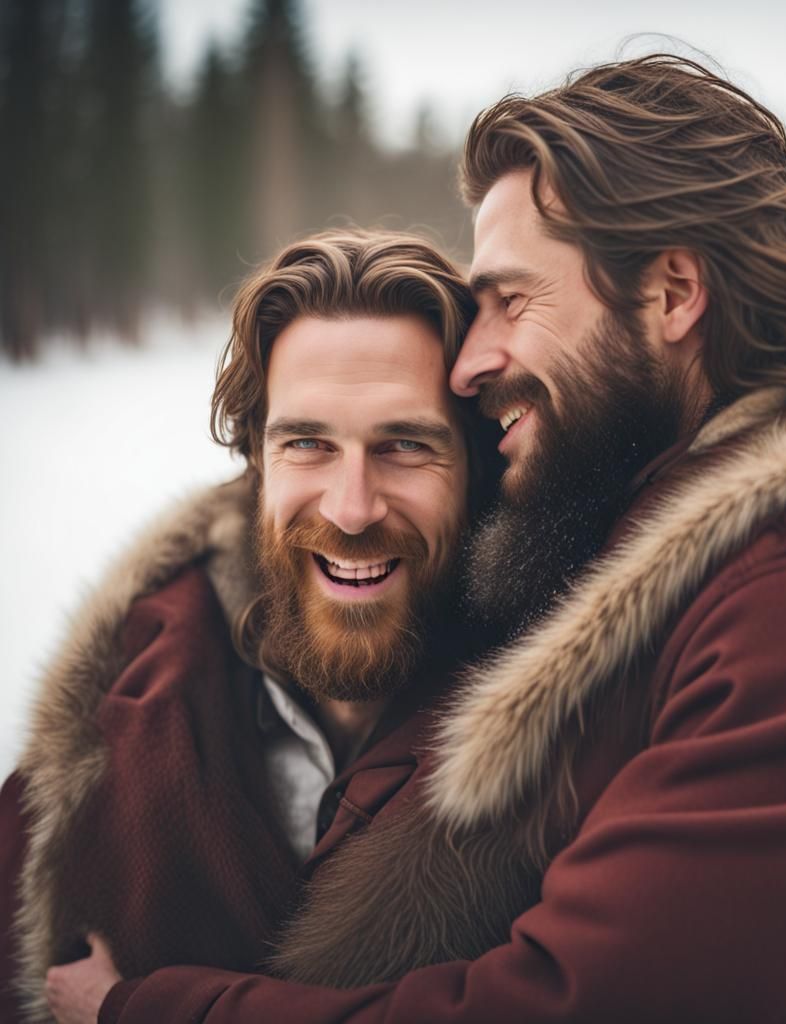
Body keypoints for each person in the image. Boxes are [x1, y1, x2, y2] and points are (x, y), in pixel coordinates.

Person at [40, 55, 786, 1024]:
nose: (472, 360)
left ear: (673, 293)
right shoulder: (662, 542)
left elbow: (576, 1003)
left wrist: (147, 1010)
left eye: (510, 300)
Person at [0, 229, 485, 1023]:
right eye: (307, 444)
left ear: (478, 465)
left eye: (405, 445)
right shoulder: (115, 715)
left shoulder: (571, 742)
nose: (352, 507)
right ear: (256, 461)